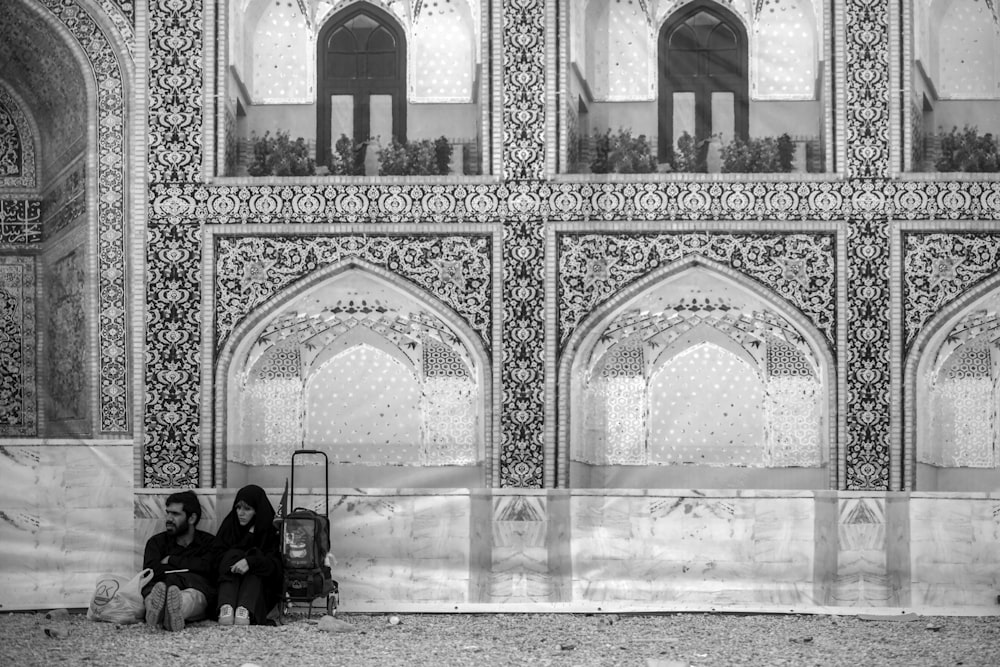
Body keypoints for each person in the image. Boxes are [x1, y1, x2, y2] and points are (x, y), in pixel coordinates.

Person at [142, 491, 216, 631]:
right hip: (160, 586)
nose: (169, 518)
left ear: (192, 518)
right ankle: (157, 612)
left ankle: (173, 612)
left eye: (175, 514)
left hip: (194, 589)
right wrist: (191, 567)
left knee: (189, 598)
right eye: (168, 513)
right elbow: (151, 572)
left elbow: (208, 568)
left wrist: (171, 560)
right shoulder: (156, 543)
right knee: (154, 594)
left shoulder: (209, 543)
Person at [213, 484, 283, 626]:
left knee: (255, 557)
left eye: (247, 509)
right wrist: (241, 552)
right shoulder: (230, 527)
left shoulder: (269, 531)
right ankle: (226, 607)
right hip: (229, 585)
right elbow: (215, 559)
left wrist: (250, 562)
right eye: (238, 508)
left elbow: (275, 565)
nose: (240, 513)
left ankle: (245, 609)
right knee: (233, 554)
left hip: (259, 591)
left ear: (258, 511)